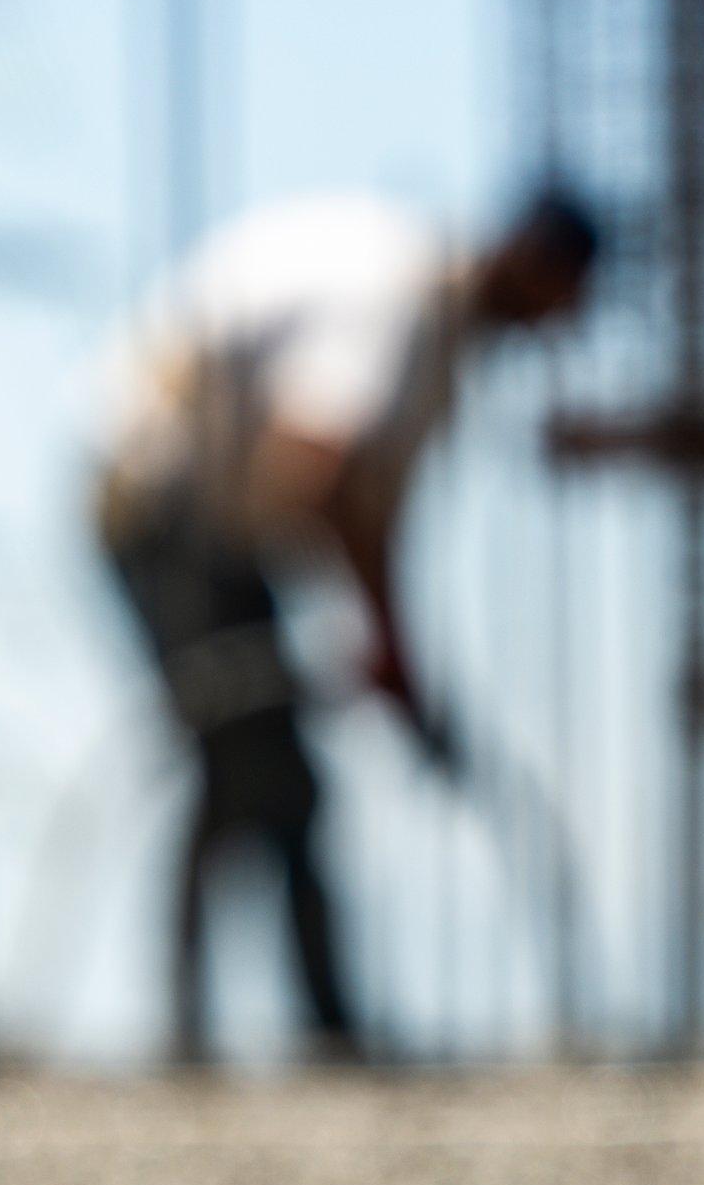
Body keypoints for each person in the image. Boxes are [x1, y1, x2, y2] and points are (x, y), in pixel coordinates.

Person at [92, 181, 600, 1063]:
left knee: (260, 771)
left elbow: (360, 500)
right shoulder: (396, 306)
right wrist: (384, 633)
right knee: (248, 761)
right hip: (161, 505)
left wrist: (389, 641)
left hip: (217, 519)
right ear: (537, 264)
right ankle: (265, 1031)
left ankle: (276, 1028)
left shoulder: (435, 336)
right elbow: (315, 465)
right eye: (563, 301)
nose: (554, 329)